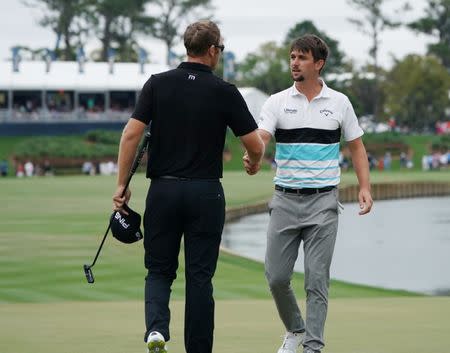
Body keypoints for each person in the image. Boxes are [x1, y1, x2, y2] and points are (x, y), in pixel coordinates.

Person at [112, 20, 264, 353]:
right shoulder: (225, 91)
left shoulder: (157, 85)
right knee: (199, 278)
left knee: (158, 270)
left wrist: (122, 184)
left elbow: (131, 135)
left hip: (163, 191)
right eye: (220, 49)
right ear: (212, 51)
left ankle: (155, 331)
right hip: (206, 193)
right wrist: (254, 162)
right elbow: (255, 144)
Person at [244, 34, 373, 353]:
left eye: (302, 58)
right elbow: (262, 134)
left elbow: (356, 148)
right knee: (276, 276)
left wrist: (365, 188)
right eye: (292, 57)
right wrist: (255, 153)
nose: (294, 63)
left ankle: (313, 346)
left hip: (324, 202)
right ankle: (295, 329)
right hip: (285, 199)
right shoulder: (276, 101)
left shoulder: (340, 103)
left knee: (317, 280)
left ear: (319, 63)